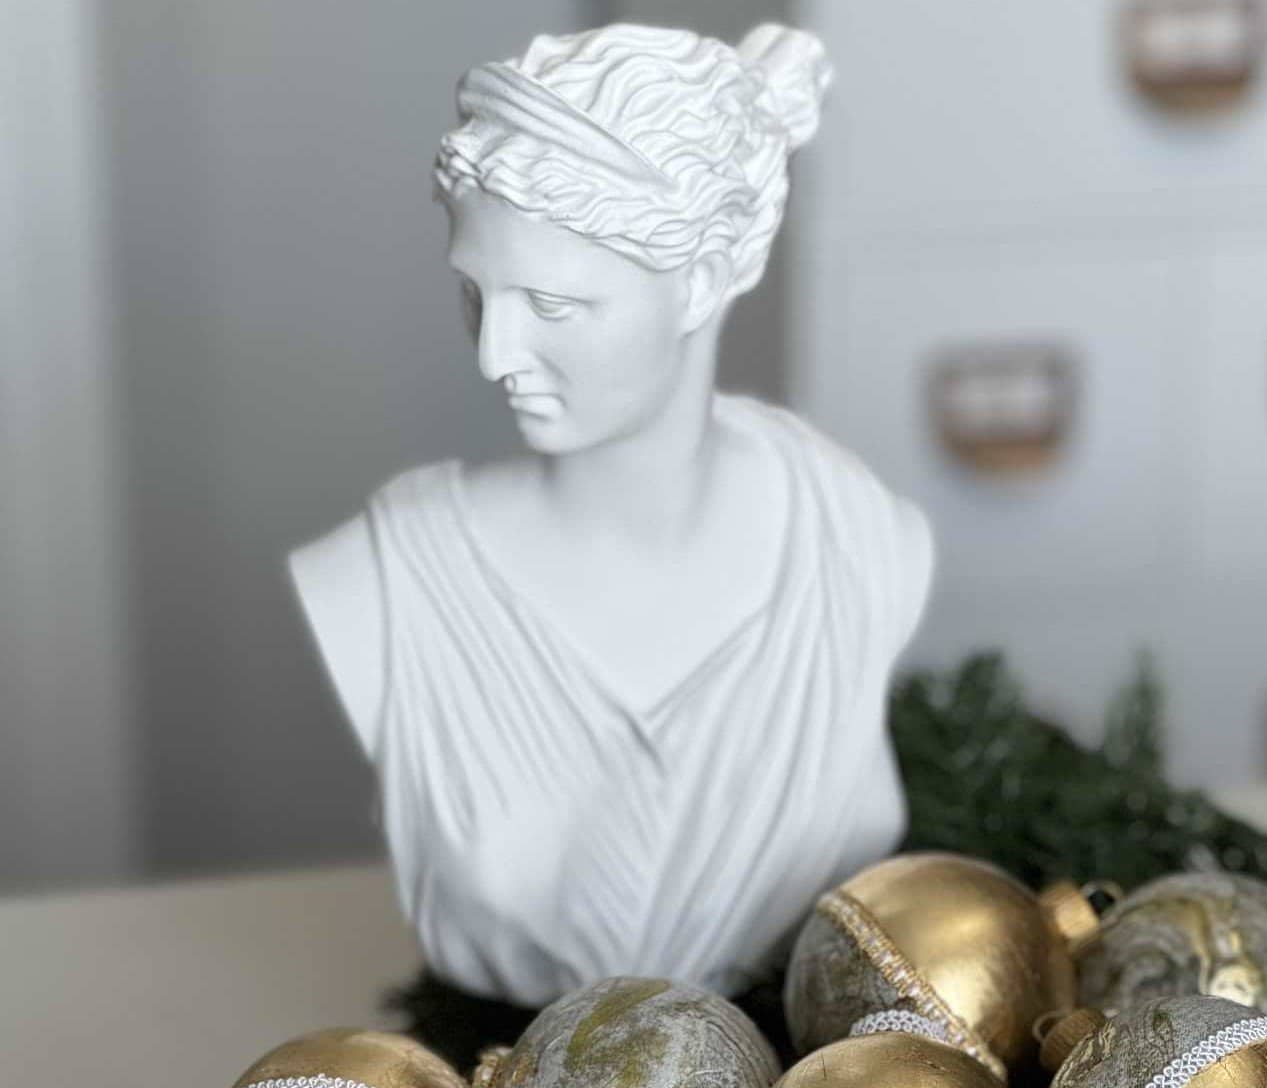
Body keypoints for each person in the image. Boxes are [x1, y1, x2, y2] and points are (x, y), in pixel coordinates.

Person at [290, 23, 933, 1005]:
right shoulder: (385, 579)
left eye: (551, 305)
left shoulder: (856, 540)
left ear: (704, 279)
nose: (494, 353)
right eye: (476, 293)